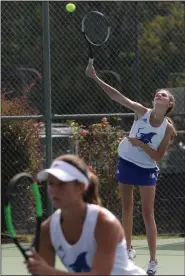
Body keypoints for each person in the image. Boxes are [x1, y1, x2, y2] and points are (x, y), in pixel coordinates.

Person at [85, 64, 176, 275]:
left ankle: (153, 262)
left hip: (146, 168)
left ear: (169, 103)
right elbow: (117, 96)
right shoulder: (141, 112)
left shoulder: (168, 128)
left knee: (147, 213)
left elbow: (157, 157)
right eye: (157, 94)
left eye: (163, 95)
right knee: (126, 208)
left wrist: (140, 143)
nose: (159, 95)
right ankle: (128, 249)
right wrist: (96, 78)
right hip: (126, 161)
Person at [25, 154, 146, 276]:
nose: (54, 189)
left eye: (62, 183)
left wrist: (50, 272)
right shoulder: (47, 230)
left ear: (81, 187)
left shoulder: (105, 223)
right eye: (51, 183)